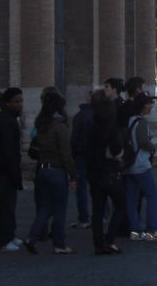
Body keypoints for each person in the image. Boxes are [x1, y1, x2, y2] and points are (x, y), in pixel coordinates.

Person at [23, 90, 76, 254]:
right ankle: (59, 244)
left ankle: (32, 237)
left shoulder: (41, 126)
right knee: (60, 208)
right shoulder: (60, 127)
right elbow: (66, 154)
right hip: (57, 171)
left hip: (42, 170)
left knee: (45, 207)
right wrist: (73, 175)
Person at [123, 93, 157, 241]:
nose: (151, 106)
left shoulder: (130, 120)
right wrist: (152, 149)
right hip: (141, 164)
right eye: (149, 104)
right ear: (143, 106)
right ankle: (153, 229)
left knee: (131, 198)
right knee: (152, 195)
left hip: (130, 164)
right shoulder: (141, 122)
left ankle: (135, 230)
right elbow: (143, 141)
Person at [86, 89, 127, 255]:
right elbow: (117, 152)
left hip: (94, 173)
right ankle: (109, 239)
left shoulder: (93, 129)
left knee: (98, 211)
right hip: (109, 172)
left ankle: (98, 243)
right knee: (121, 205)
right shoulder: (111, 130)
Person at [0, 87, 24, 252]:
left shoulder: (6, 120)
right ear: (8, 103)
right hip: (3, 172)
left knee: (8, 206)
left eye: (21, 101)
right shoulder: (7, 122)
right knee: (5, 206)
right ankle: (2, 240)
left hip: (3, 171)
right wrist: (15, 175)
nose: (20, 105)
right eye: (17, 102)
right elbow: (10, 152)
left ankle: (8, 235)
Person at [69, 88, 93, 230]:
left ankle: (84, 218)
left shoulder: (80, 116)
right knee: (98, 187)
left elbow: (74, 139)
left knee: (82, 188)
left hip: (81, 156)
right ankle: (104, 214)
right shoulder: (100, 115)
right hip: (95, 156)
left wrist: (73, 155)